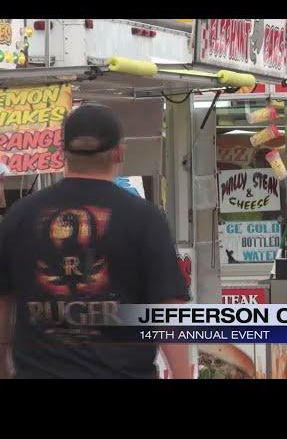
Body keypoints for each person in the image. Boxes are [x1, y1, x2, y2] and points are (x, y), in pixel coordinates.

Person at [0, 103, 191, 379]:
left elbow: (3, 301)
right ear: (119, 152)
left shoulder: (19, 216)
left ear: (63, 153)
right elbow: (168, 308)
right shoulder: (144, 218)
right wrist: (183, 374)